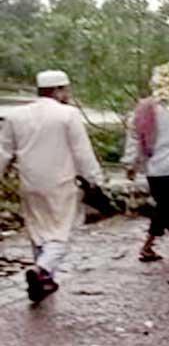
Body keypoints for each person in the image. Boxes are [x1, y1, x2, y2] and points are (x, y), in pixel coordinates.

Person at [0, 70, 103, 302]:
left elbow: (3, 152)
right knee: (59, 233)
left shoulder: (16, 116)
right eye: (65, 90)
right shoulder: (68, 115)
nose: (67, 94)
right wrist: (94, 178)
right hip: (61, 183)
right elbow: (82, 152)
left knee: (38, 230)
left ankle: (44, 282)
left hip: (29, 182)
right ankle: (42, 269)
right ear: (57, 90)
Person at [123, 87, 169, 262]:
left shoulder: (143, 110)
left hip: (155, 168)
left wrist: (130, 164)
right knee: (168, 206)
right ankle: (153, 244)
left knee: (165, 205)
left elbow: (134, 138)